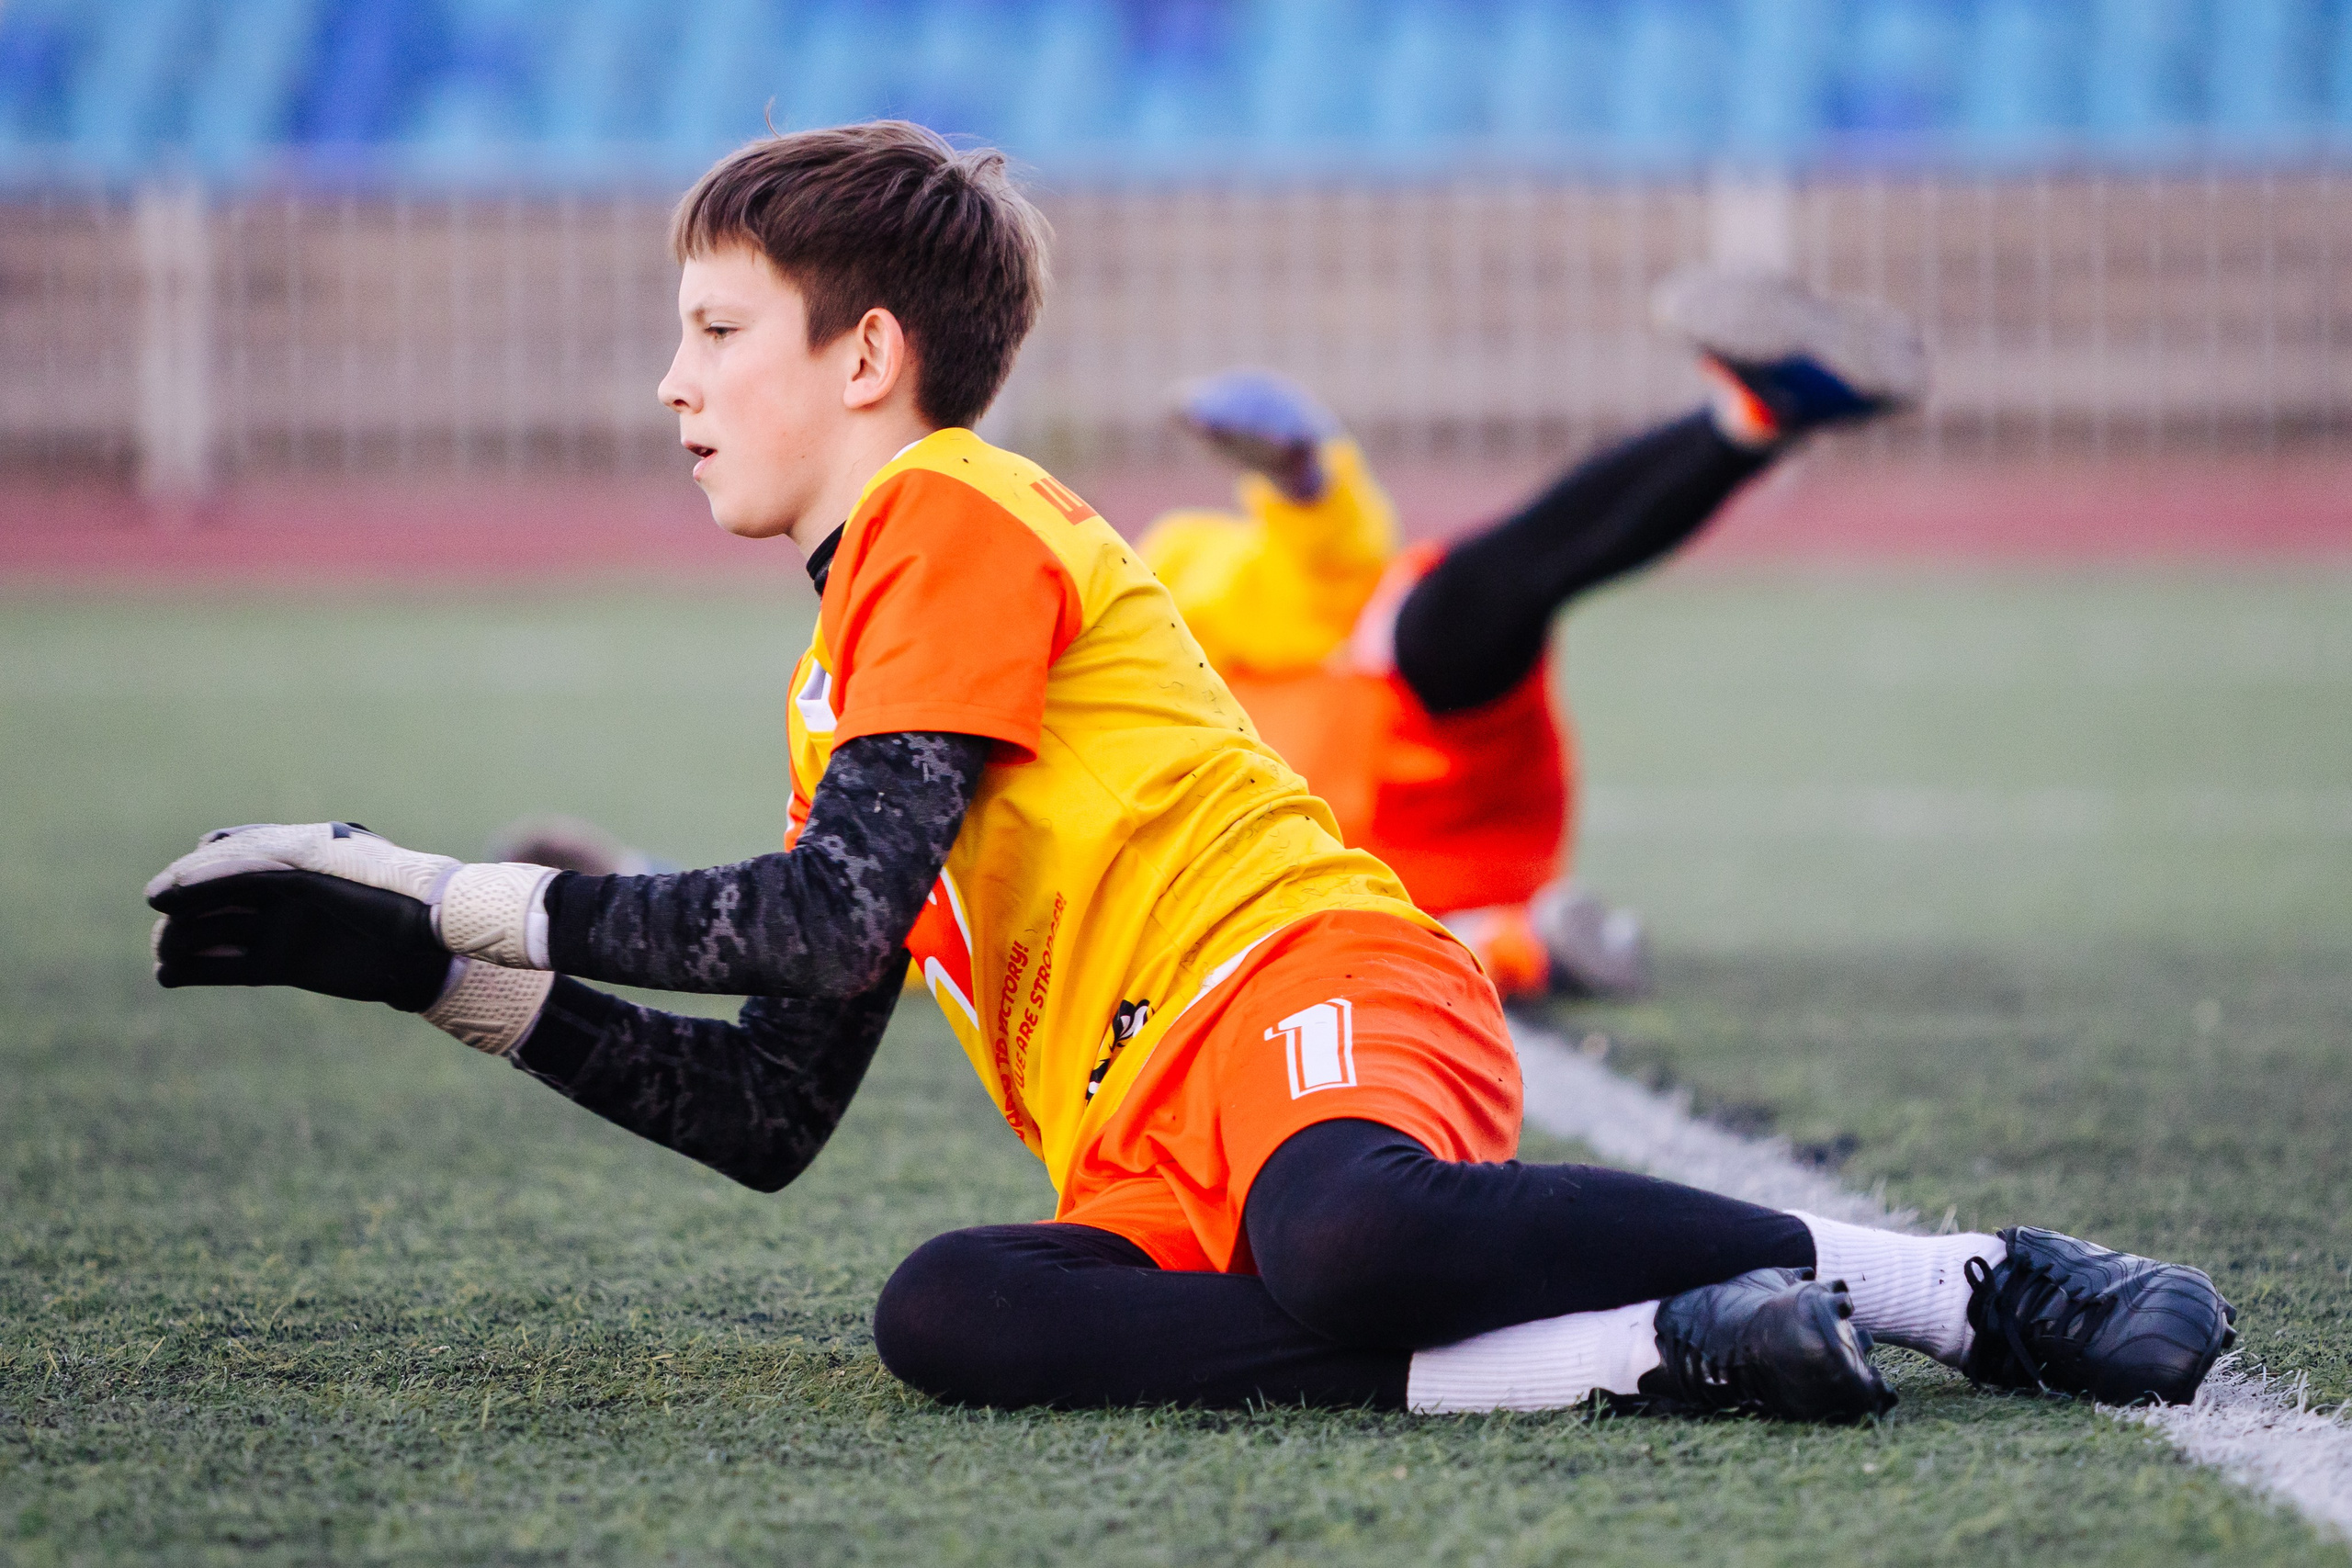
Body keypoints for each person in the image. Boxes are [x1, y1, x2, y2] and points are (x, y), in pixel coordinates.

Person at [144, 122, 2236, 1421]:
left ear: (862, 356)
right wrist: (420, 972)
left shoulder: (945, 513)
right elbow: (769, 1103)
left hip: (1301, 986)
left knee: (1340, 1237)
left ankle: (1947, 1276)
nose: (673, 382)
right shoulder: (849, 669)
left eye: (714, 329)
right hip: (1157, 1148)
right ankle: (1651, 1345)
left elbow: (814, 918)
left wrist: (428, 885)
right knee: (948, 1303)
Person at [1141, 273, 1922, 1001]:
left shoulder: (1149, 595)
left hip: (1416, 741)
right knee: (1372, 951)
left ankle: (1749, 421)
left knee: (1456, 599)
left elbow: (1322, 575)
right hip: (1413, 872)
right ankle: (1537, 939)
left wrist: (1308, 483)